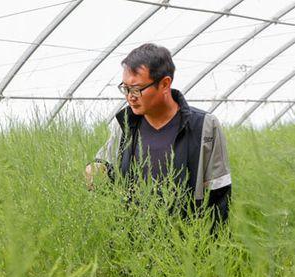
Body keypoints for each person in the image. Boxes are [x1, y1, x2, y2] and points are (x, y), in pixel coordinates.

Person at [85, 43, 231, 227]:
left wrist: (214, 250)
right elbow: (107, 162)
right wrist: (96, 168)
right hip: (133, 243)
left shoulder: (204, 126)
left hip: (187, 243)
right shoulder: (124, 124)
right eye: (125, 88)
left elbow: (219, 192)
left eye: (137, 89)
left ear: (164, 84)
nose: (130, 96)